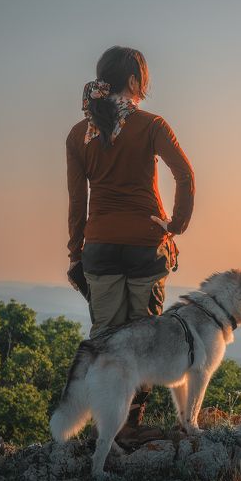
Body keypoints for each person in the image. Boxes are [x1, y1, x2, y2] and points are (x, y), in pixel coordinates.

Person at [65, 45, 195, 429]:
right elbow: (185, 176)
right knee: (144, 341)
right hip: (145, 246)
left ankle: (103, 428)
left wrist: (76, 252)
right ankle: (131, 426)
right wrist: (174, 226)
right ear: (135, 81)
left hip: (100, 249)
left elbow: (77, 201)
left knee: (105, 339)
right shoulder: (152, 125)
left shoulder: (78, 134)